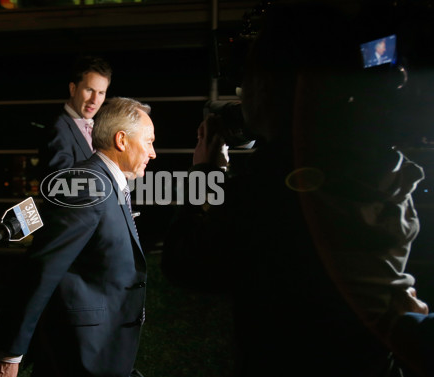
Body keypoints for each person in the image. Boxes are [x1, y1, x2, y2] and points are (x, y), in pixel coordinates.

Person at [163, 3, 431, 377]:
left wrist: (205, 174)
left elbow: (185, 263)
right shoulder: (382, 166)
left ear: (273, 87)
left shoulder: (280, 184)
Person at [0, 97, 156, 377]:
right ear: (122, 140)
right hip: (79, 355)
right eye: (148, 142)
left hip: (103, 347)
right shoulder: (87, 185)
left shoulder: (111, 185)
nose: (153, 153)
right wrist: (7, 352)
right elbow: (42, 268)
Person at [38, 55, 112, 178]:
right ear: (73, 89)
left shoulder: (98, 129)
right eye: (89, 90)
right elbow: (61, 185)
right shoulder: (58, 129)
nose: (95, 100)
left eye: (101, 93)